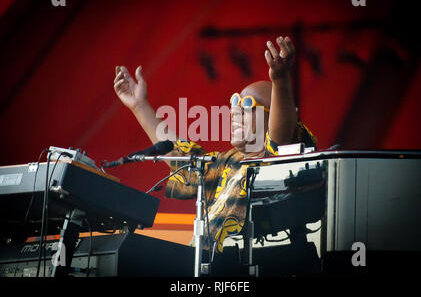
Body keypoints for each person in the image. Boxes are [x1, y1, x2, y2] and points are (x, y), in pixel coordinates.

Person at [113, 36, 316, 254]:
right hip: (203, 266)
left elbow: (281, 134)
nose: (235, 110)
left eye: (248, 104)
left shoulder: (284, 156)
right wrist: (139, 106)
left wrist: (281, 81)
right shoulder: (227, 162)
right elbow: (181, 157)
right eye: (234, 103)